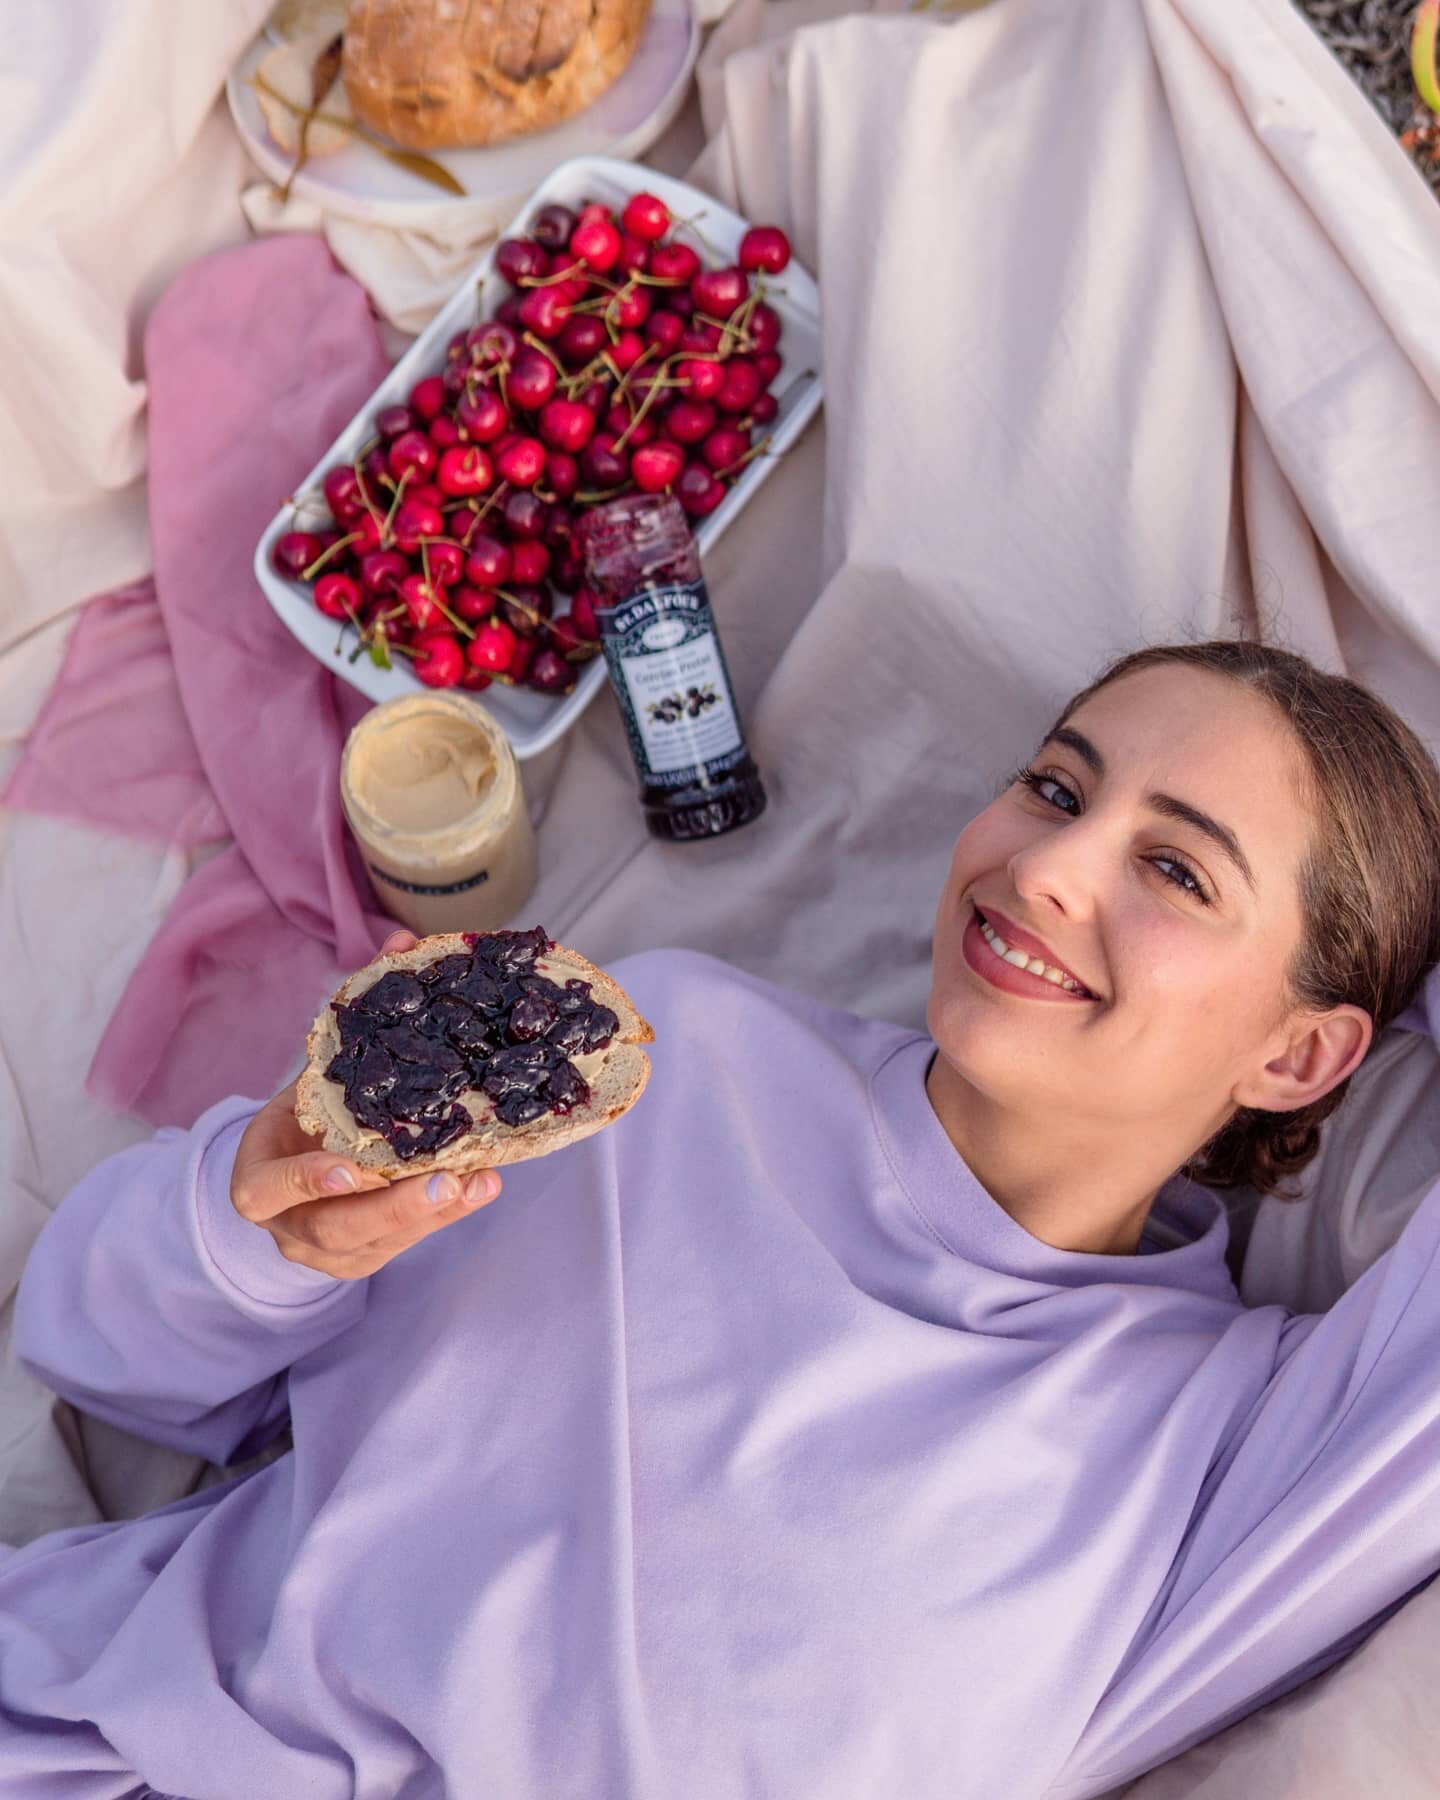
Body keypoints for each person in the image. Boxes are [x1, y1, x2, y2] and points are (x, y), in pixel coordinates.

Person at [5, 640, 1440, 1800]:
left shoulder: (1235, 1462)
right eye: (1058, 789)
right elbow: (99, 1352)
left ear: (1303, 1056)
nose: (1047, 869)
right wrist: (263, 1227)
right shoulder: (656, 1055)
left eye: (1177, 869)